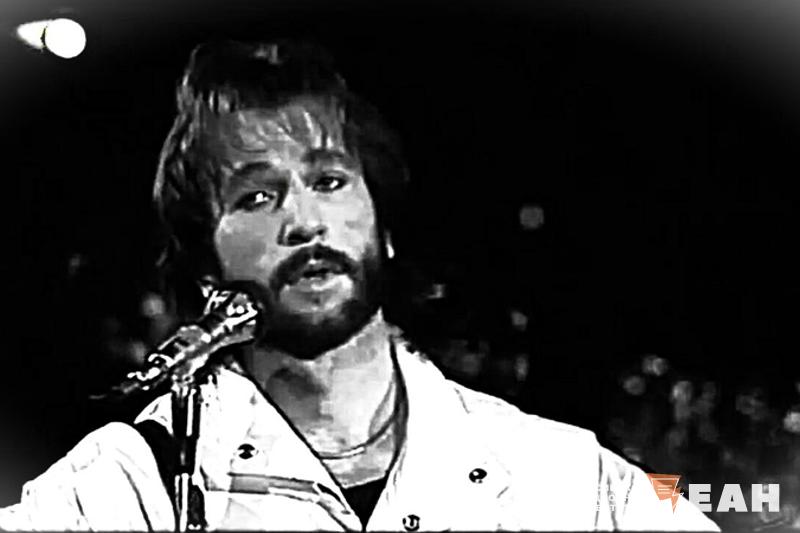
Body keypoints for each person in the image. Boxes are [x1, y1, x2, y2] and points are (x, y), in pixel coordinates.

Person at [0, 40, 719, 531]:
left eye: (329, 181)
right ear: (206, 267)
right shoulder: (128, 485)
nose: (304, 221)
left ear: (384, 227)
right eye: (257, 197)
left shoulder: (558, 474)